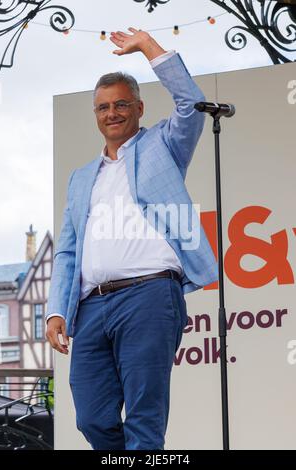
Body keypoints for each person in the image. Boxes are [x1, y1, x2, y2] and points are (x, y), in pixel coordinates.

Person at [46, 27, 218, 450]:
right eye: (103, 107)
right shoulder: (81, 177)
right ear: (95, 115)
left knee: (144, 416)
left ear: (139, 108)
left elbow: (191, 104)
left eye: (122, 104)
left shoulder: (163, 144)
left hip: (149, 295)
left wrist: (148, 48)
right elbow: (67, 249)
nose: (112, 113)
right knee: (91, 417)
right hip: (90, 307)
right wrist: (55, 311)